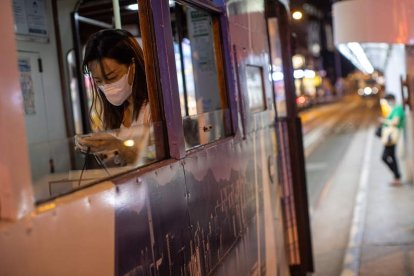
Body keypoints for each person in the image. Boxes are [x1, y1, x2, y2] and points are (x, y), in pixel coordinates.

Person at [75, 29, 151, 165]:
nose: (106, 87)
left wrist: (117, 145)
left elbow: (160, 162)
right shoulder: (116, 112)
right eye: (98, 81)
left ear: (132, 67)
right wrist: (98, 146)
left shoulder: (153, 108)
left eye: (111, 77)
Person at [379, 93, 405, 185]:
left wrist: (384, 121)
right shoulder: (394, 108)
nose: (388, 103)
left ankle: (397, 176)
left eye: (388, 101)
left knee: (384, 157)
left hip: (391, 136)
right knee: (392, 157)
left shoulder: (397, 109)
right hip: (390, 136)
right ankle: (397, 177)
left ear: (392, 100)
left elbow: (395, 122)